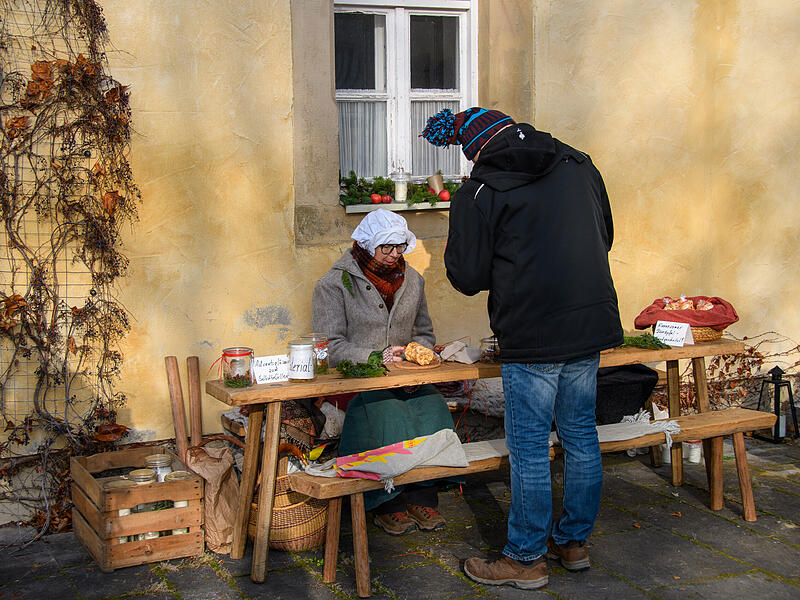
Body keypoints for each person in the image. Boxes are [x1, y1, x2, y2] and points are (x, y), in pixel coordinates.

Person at [421, 107, 624, 589]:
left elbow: (467, 277)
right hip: (590, 321)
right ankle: (573, 542)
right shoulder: (579, 163)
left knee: (531, 447)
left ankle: (525, 557)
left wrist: (466, 224)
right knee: (580, 435)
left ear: (475, 151)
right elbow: (606, 236)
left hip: (532, 330)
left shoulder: (480, 190)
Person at [311, 208, 454, 535]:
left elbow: (424, 333)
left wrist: (416, 360)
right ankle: (386, 502)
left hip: (406, 378)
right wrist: (376, 357)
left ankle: (422, 496)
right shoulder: (334, 283)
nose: (393, 254)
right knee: (385, 409)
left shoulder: (412, 280)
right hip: (356, 379)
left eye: (399, 246)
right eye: (385, 247)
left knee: (432, 405)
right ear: (366, 244)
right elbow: (329, 347)